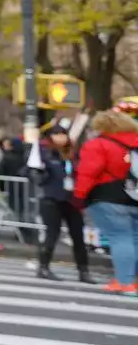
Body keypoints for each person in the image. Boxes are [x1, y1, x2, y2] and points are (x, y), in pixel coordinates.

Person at [74, 107, 138, 295]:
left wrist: (79, 196)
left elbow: (88, 172)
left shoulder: (99, 144)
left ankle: (123, 281)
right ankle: (132, 280)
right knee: (134, 239)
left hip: (107, 197)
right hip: (135, 196)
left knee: (119, 238)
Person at [33, 124, 93, 283]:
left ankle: (83, 270)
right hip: (52, 198)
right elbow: (33, 173)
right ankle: (43, 267)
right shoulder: (45, 152)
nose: (60, 137)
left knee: (78, 236)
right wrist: (41, 173)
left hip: (72, 199)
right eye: (56, 134)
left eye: (63, 134)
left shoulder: (73, 154)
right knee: (52, 234)